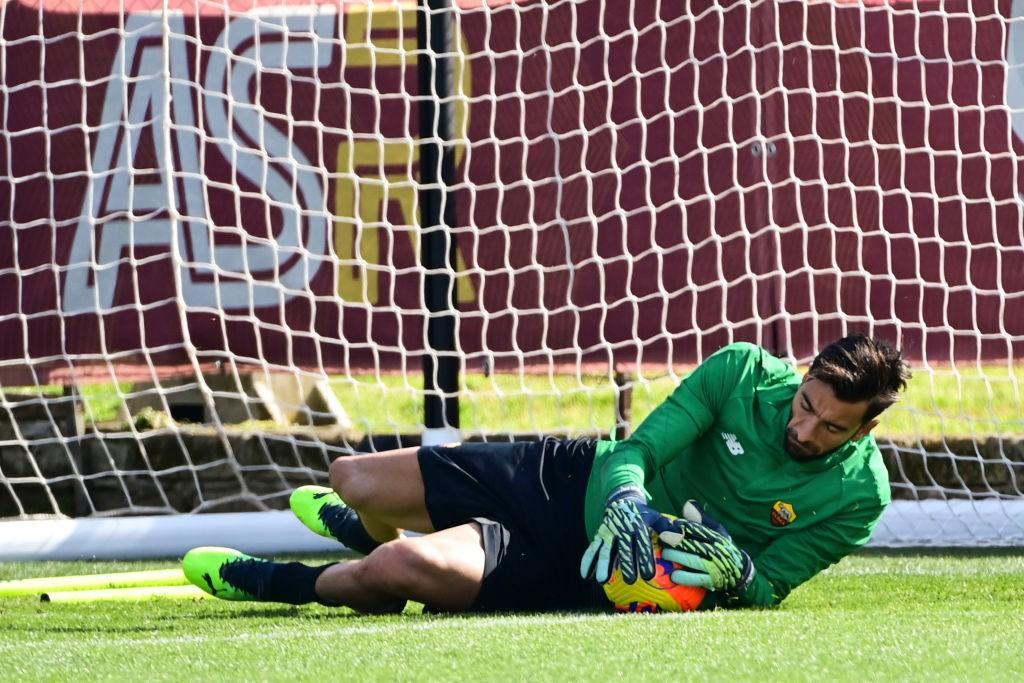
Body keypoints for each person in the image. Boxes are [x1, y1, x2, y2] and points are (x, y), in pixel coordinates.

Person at [182, 333, 910, 613]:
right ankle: (356, 528)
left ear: (867, 428)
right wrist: (626, 494)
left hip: (600, 573)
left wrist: (737, 573)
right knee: (352, 476)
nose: (804, 427)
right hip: (567, 482)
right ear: (806, 372)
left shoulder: (859, 494)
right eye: (805, 404)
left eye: (829, 426)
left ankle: (272, 579)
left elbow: (771, 587)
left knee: (399, 565)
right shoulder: (743, 370)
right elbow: (637, 451)